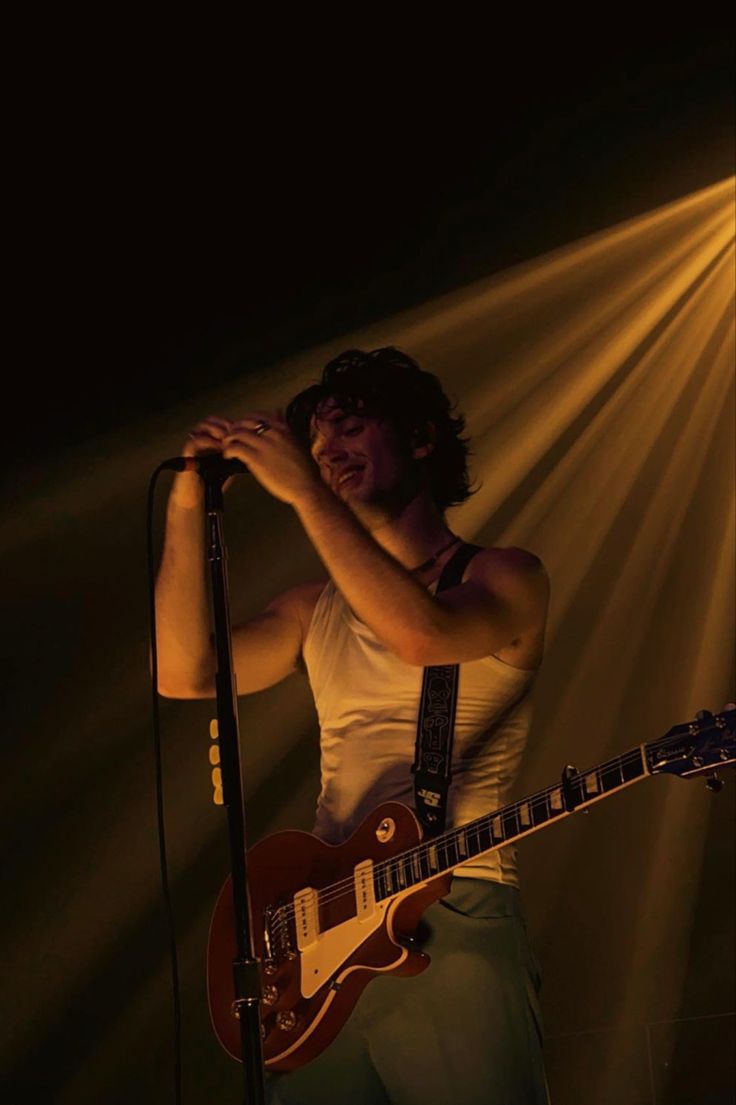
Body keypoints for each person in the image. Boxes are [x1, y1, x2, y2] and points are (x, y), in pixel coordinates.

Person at [155, 347, 551, 1105]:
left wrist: (308, 495)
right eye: (318, 441)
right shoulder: (314, 608)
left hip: (452, 907)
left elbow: (422, 637)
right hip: (323, 929)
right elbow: (183, 671)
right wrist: (184, 498)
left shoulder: (504, 574)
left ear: (423, 439)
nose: (329, 450)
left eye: (353, 426)